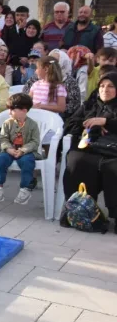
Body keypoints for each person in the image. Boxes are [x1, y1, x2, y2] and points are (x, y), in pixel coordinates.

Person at [61, 72, 117, 230]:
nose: (105, 89)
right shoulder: (90, 105)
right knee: (77, 161)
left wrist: (106, 121)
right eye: (102, 86)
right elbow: (69, 125)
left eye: (111, 86)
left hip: (113, 152)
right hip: (89, 149)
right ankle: (80, 210)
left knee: (114, 168)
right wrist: (89, 125)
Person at [0, 93, 40, 205]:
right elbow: (3, 138)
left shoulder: (33, 125)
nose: (9, 112)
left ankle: (25, 188)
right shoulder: (7, 123)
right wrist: (8, 149)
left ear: (24, 110)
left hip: (26, 152)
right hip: (9, 151)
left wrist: (23, 150)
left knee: (28, 162)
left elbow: (35, 142)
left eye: (12, 109)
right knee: (0, 159)